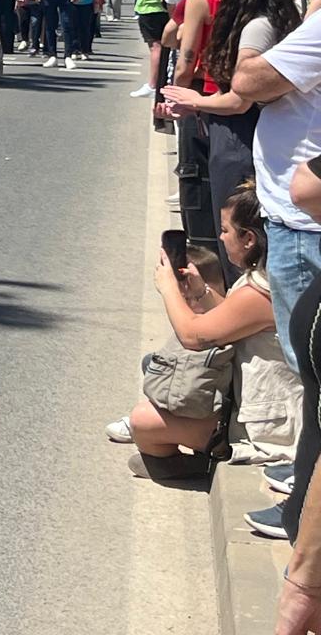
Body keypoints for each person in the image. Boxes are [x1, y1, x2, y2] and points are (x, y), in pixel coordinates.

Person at [115, 185, 299, 485]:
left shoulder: (262, 292)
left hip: (266, 423)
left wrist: (169, 288)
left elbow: (192, 334)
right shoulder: (267, 278)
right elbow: (238, 320)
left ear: (249, 239)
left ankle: (199, 463)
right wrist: (201, 292)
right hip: (250, 403)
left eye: (226, 230)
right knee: (155, 369)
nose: (222, 237)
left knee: (143, 421)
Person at [163, 0, 300, 288]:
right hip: (251, 133)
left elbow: (239, 99)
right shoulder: (275, 17)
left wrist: (194, 100)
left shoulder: (255, 27)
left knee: (236, 237)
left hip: (238, 135)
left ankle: (237, 317)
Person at [232, 0, 321, 372]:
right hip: (299, 213)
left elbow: (249, 81)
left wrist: (248, 51)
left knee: (306, 360)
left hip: (305, 223)